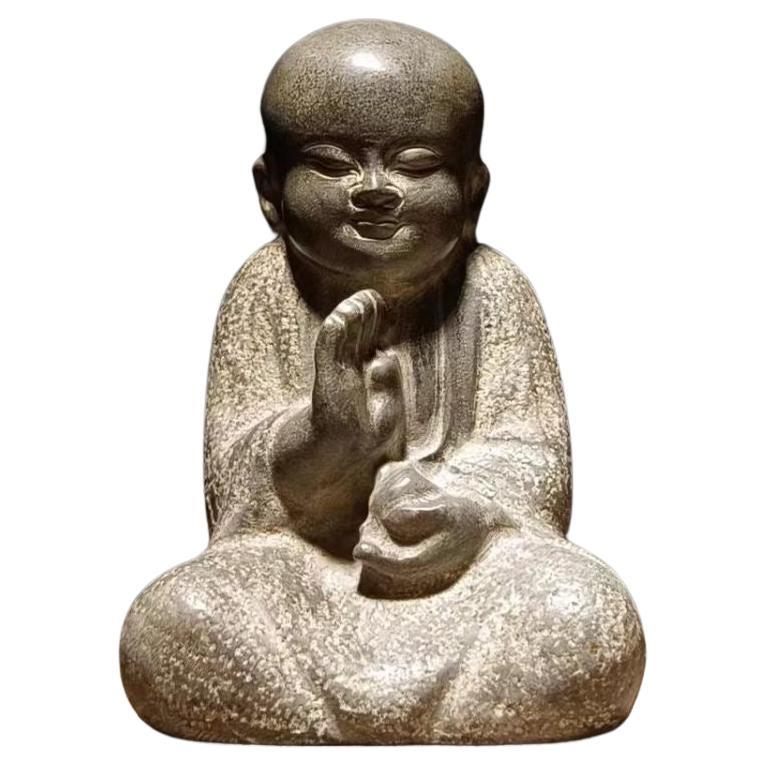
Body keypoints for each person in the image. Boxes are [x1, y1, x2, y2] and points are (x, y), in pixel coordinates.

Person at [120, 19, 645, 743]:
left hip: (470, 577)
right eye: (332, 165)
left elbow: (535, 461)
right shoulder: (263, 292)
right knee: (177, 620)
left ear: (472, 191)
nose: (373, 190)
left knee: (585, 613)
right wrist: (324, 436)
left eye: (415, 164)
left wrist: (461, 511)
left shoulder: (493, 290)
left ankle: (332, 718)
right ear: (270, 191)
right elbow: (234, 501)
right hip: (304, 571)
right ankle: (435, 716)